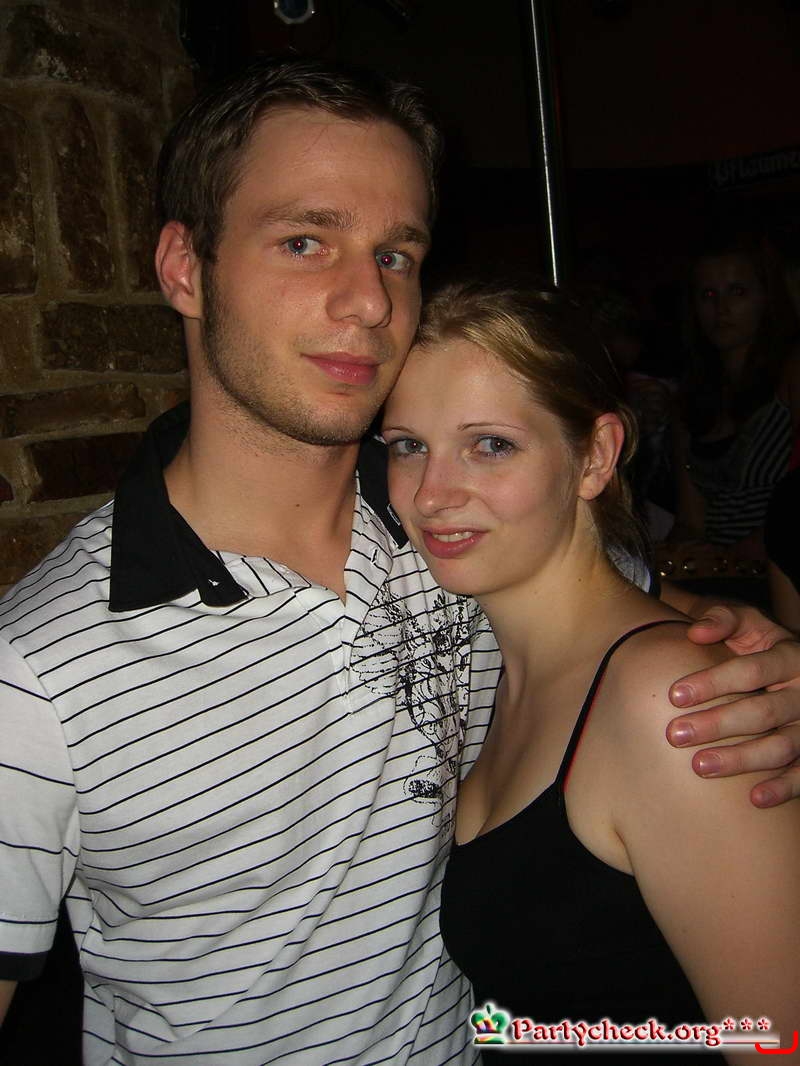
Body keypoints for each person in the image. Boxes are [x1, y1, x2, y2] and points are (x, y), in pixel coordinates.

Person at [1, 58, 800, 1066]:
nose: (369, 302)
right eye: (304, 240)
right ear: (185, 268)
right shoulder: (36, 670)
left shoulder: (453, 530)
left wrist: (756, 662)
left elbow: (626, 620)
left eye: (394, 253)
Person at [382, 280, 799, 1062]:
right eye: (408, 445)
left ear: (595, 455)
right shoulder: (488, 664)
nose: (432, 495)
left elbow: (780, 1042)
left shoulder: (667, 700)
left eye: (490, 444)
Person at [668, 231, 800, 580]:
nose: (721, 309)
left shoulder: (791, 373)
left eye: (737, 291)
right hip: (719, 578)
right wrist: (676, 554)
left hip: (781, 572)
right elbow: (690, 521)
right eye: (708, 295)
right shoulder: (690, 399)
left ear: (766, 299)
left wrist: (732, 555)